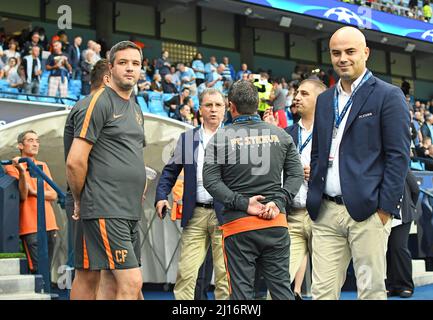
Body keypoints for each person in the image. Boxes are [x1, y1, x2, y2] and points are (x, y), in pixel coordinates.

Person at [306, 26, 410, 300]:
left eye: (350, 51)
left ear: (366, 53)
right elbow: (318, 152)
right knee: (321, 293)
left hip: (369, 213)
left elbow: (398, 157)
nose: (343, 58)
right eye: (336, 53)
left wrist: (385, 209)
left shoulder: (388, 95)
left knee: (370, 292)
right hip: (326, 212)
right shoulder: (325, 100)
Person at [203, 80, 304, 300]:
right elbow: (296, 176)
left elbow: (210, 181)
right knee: (281, 292)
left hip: (239, 227)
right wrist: (278, 202)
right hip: (275, 223)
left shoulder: (219, 138)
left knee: (241, 296)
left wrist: (243, 203)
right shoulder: (282, 135)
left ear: (231, 106)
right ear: (257, 104)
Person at [66, 41, 146, 300]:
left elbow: (129, 155)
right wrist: (79, 199)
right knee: (131, 282)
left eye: (135, 64)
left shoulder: (135, 108)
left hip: (128, 208)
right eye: (123, 63)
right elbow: (75, 161)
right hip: (105, 206)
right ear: (109, 69)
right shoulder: (99, 102)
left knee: (104, 278)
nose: (130, 69)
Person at [155, 88, 229, 300]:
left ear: (225, 109)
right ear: (200, 109)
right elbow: (170, 171)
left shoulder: (235, 137)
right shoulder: (188, 139)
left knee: (225, 277)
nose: (213, 110)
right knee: (186, 274)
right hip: (195, 214)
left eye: (218, 105)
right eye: (208, 105)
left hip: (225, 214)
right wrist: (161, 196)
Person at [264, 79, 327, 300]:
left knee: (325, 288)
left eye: (304, 93)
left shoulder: (333, 132)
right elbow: (268, 170)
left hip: (324, 216)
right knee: (278, 284)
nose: (297, 97)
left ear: (320, 99)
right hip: (293, 216)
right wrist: (270, 133)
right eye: (297, 92)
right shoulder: (286, 132)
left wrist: (320, 173)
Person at [64, 59, 110, 300]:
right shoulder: (87, 107)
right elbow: (75, 162)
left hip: (104, 202)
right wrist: (81, 200)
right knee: (88, 273)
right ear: (107, 79)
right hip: (88, 202)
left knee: (104, 272)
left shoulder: (101, 107)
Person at [4, 130, 59, 274]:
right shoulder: (11, 167)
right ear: (20, 146)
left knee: (47, 268)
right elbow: (23, 194)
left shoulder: (43, 165)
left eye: (37, 141)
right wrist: (22, 172)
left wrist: (34, 192)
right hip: (30, 226)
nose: (35, 144)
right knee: (37, 269)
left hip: (50, 223)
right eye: (31, 140)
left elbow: (54, 195)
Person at [386, 170, 420, 298]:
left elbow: (415, 190)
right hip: (383, 215)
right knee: (387, 250)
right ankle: (391, 285)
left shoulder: (402, 166)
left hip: (402, 216)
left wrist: (410, 207)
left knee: (399, 248)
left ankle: (406, 285)